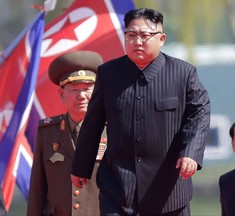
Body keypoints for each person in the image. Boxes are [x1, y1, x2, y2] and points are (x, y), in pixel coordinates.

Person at [71, 8, 210, 216]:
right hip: (117, 188)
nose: (137, 41)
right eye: (131, 35)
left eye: (145, 35)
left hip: (168, 191)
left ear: (161, 39)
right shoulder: (108, 73)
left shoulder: (183, 73)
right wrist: (80, 166)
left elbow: (200, 112)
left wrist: (191, 153)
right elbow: (93, 123)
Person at [27, 50, 105, 216]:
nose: (82, 96)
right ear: (62, 94)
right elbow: (37, 190)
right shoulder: (47, 132)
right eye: (75, 90)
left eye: (87, 88)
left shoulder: (112, 129)